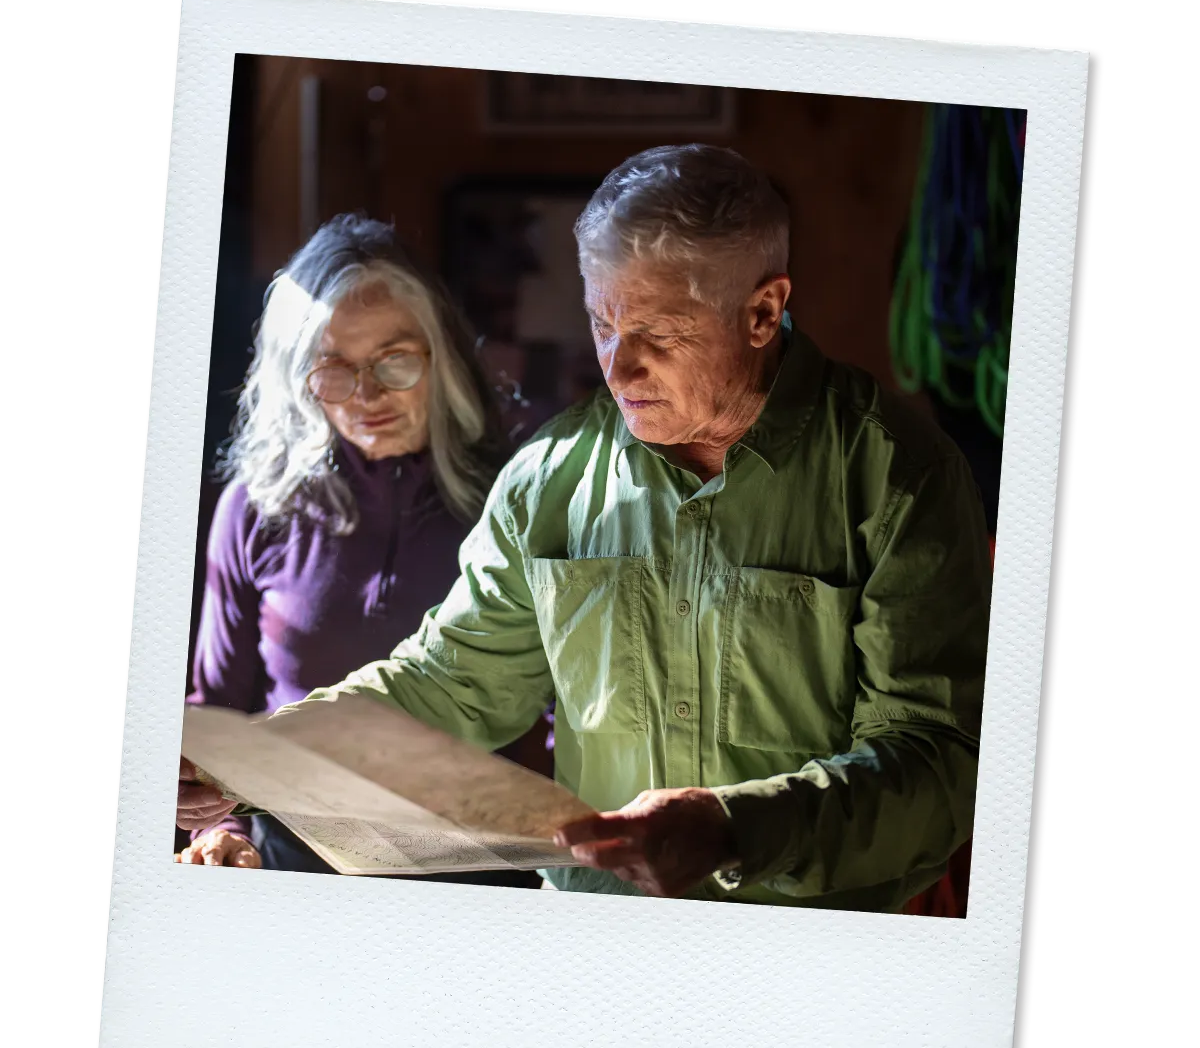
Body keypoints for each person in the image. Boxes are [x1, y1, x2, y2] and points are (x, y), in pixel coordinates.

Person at [181, 146, 990, 913]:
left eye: (658, 335)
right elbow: (450, 682)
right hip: (594, 939)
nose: (618, 366)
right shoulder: (552, 476)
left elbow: (933, 761)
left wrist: (738, 828)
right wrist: (255, 761)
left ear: (763, 311)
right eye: (603, 324)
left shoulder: (896, 474)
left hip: (815, 951)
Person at [176, 213, 549, 885]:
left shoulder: (519, 491)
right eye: (333, 370)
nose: (367, 395)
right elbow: (218, 712)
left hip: (490, 867)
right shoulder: (257, 508)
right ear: (297, 379)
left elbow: (568, 707)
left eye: (394, 360)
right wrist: (223, 830)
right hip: (299, 859)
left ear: (445, 357)